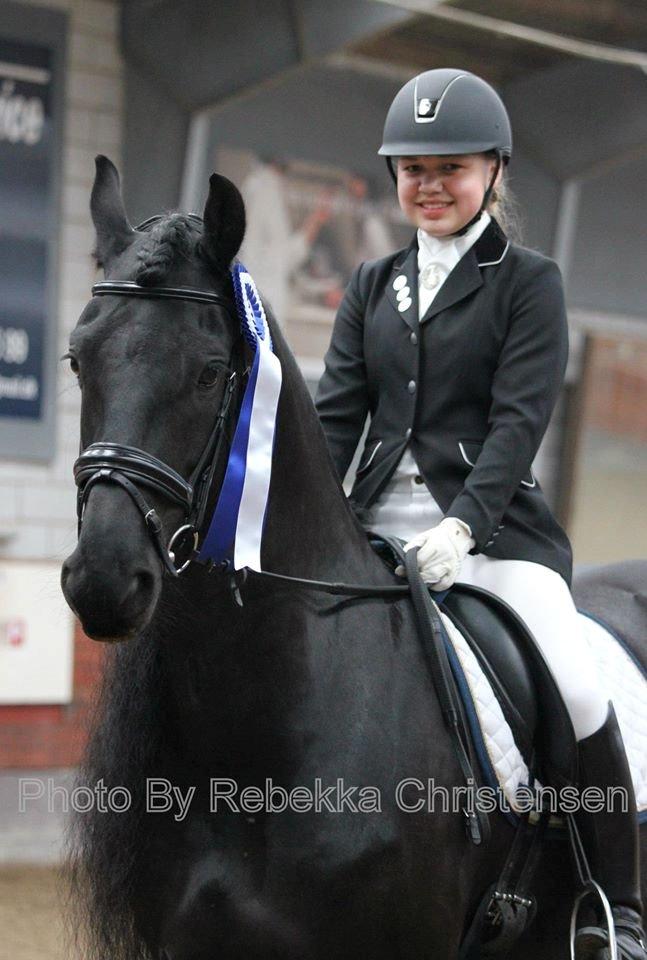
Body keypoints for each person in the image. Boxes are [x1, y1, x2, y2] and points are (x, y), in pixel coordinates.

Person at [315, 68, 645, 959]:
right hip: (371, 532)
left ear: (493, 170)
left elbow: (516, 422)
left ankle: (613, 907)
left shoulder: (527, 282)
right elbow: (335, 420)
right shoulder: (372, 283)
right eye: (411, 169)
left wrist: (461, 526)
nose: (428, 185)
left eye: (449, 168)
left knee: (576, 687)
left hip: (493, 537)